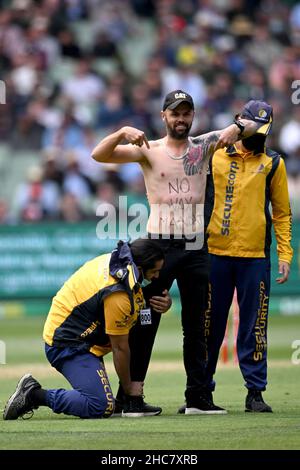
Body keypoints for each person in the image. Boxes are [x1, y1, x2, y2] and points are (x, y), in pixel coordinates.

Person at [91, 90, 259, 415]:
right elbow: (99, 155)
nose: (180, 119)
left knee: (199, 325)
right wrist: (123, 132)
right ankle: (132, 397)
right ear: (163, 116)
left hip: (196, 247)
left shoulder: (205, 145)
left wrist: (235, 129)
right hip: (158, 246)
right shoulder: (149, 150)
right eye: (175, 113)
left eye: (186, 113)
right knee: (145, 319)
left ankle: (197, 397)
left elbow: (256, 123)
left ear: (192, 116)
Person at [3, 238, 170, 420]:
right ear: (140, 267)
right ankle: (33, 394)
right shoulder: (118, 292)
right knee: (100, 406)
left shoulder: (119, 261)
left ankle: (121, 400)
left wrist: (165, 303)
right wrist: (131, 390)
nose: (156, 277)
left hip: (80, 334)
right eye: (154, 272)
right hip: (67, 343)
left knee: (138, 326)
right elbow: (120, 348)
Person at [203, 100, 293, 412]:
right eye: (254, 128)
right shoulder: (214, 153)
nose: (259, 136)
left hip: (255, 257)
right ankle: (202, 392)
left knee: (254, 326)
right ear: (238, 123)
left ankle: (255, 393)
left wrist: (285, 252)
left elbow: (281, 214)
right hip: (215, 254)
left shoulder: (273, 163)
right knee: (209, 325)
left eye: (264, 130)